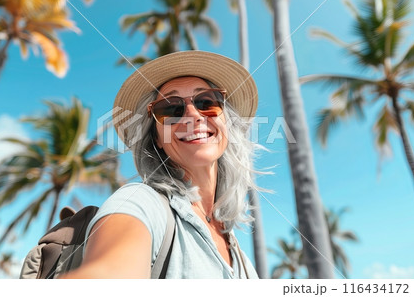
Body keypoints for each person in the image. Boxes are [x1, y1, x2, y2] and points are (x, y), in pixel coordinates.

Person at [61, 51, 263, 279]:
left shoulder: (244, 264)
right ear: (156, 138)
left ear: (225, 120)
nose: (193, 115)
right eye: (170, 108)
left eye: (207, 102)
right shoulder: (141, 203)